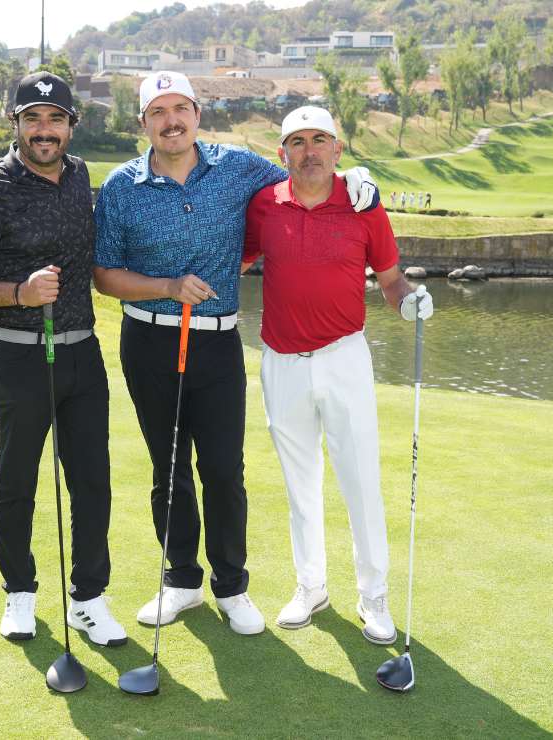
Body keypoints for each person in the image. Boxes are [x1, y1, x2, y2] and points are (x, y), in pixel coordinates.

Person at [93, 71, 378, 636]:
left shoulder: (239, 167)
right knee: (168, 467)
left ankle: (231, 588)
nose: (171, 120)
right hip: (149, 340)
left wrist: (356, 176)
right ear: (144, 122)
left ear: (197, 114)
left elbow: (305, 179)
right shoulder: (122, 186)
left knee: (223, 470)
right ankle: (181, 583)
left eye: (181, 108)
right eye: (158, 112)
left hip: (217, 341)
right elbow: (104, 275)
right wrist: (167, 286)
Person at [0, 73, 126, 648]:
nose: (44, 131)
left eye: (55, 119)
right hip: (20, 359)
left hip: (83, 356)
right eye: (33, 119)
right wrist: (18, 293)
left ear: (72, 126)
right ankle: (19, 593)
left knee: (92, 482)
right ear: (16, 124)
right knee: (17, 481)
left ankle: (89, 600)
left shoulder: (79, 177)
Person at [242, 106, 434, 645]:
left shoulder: (362, 204)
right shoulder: (265, 204)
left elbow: (391, 280)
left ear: (338, 149)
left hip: (344, 358)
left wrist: (409, 303)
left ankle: (373, 595)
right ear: (283, 153)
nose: (309, 151)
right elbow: (237, 258)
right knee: (300, 485)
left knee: (359, 481)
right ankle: (311, 586)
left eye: (319, 140)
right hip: (280, 362)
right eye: (297, 142)